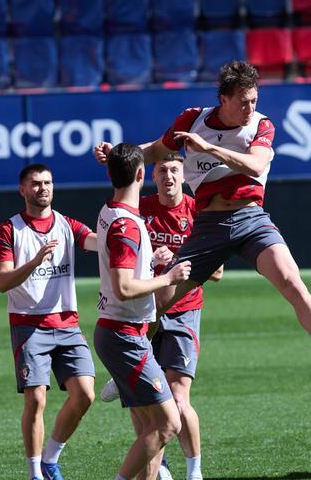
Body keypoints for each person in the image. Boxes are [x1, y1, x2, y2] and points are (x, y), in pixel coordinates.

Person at [94, 61, 311, 381]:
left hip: (250, 218)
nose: (250, 107)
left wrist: (209, 148)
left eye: (254, 100)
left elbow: (257, 166)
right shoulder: (193, 119)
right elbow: (156, 150)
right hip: (210, 224)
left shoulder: (261, 125)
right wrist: (121, 155)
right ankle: (126, 370)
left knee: (291, 280)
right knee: (162, 302)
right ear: (224, 99)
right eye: (243, 101)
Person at [101, 152, 223, 480]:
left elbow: (218, 272)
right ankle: (159, 467)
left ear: (184, 175)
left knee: (178, 401)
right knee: (145, 406)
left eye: (174, 170)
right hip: (146, 312)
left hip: (183, 310)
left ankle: (194, 471)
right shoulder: (141, 209)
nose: (168, 176)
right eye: (162, 170)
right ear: (151, 176)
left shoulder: (198, 211)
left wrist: (176, 258)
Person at [0, 163, 98, 480]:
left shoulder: (66, 225)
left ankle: (51, 458)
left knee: (85, 394)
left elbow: (93, 241)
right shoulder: (9, 230)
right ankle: (35, 472)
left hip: (67, 323)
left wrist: (115, 237)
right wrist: (35, 260)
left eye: (48, 182)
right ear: (22, 190)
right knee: (36, 399)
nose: (43, 188)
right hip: (29, 326)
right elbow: (2, 281)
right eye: (36, 184)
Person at [93, 142, 192, 480]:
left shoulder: (111, 210)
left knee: (151, 429)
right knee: (167, 424)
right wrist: (168, 276)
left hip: (122, 331)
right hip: (125, 335)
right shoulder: (127, 225)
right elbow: (124, 286)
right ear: (141, 174)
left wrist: (150, 262)